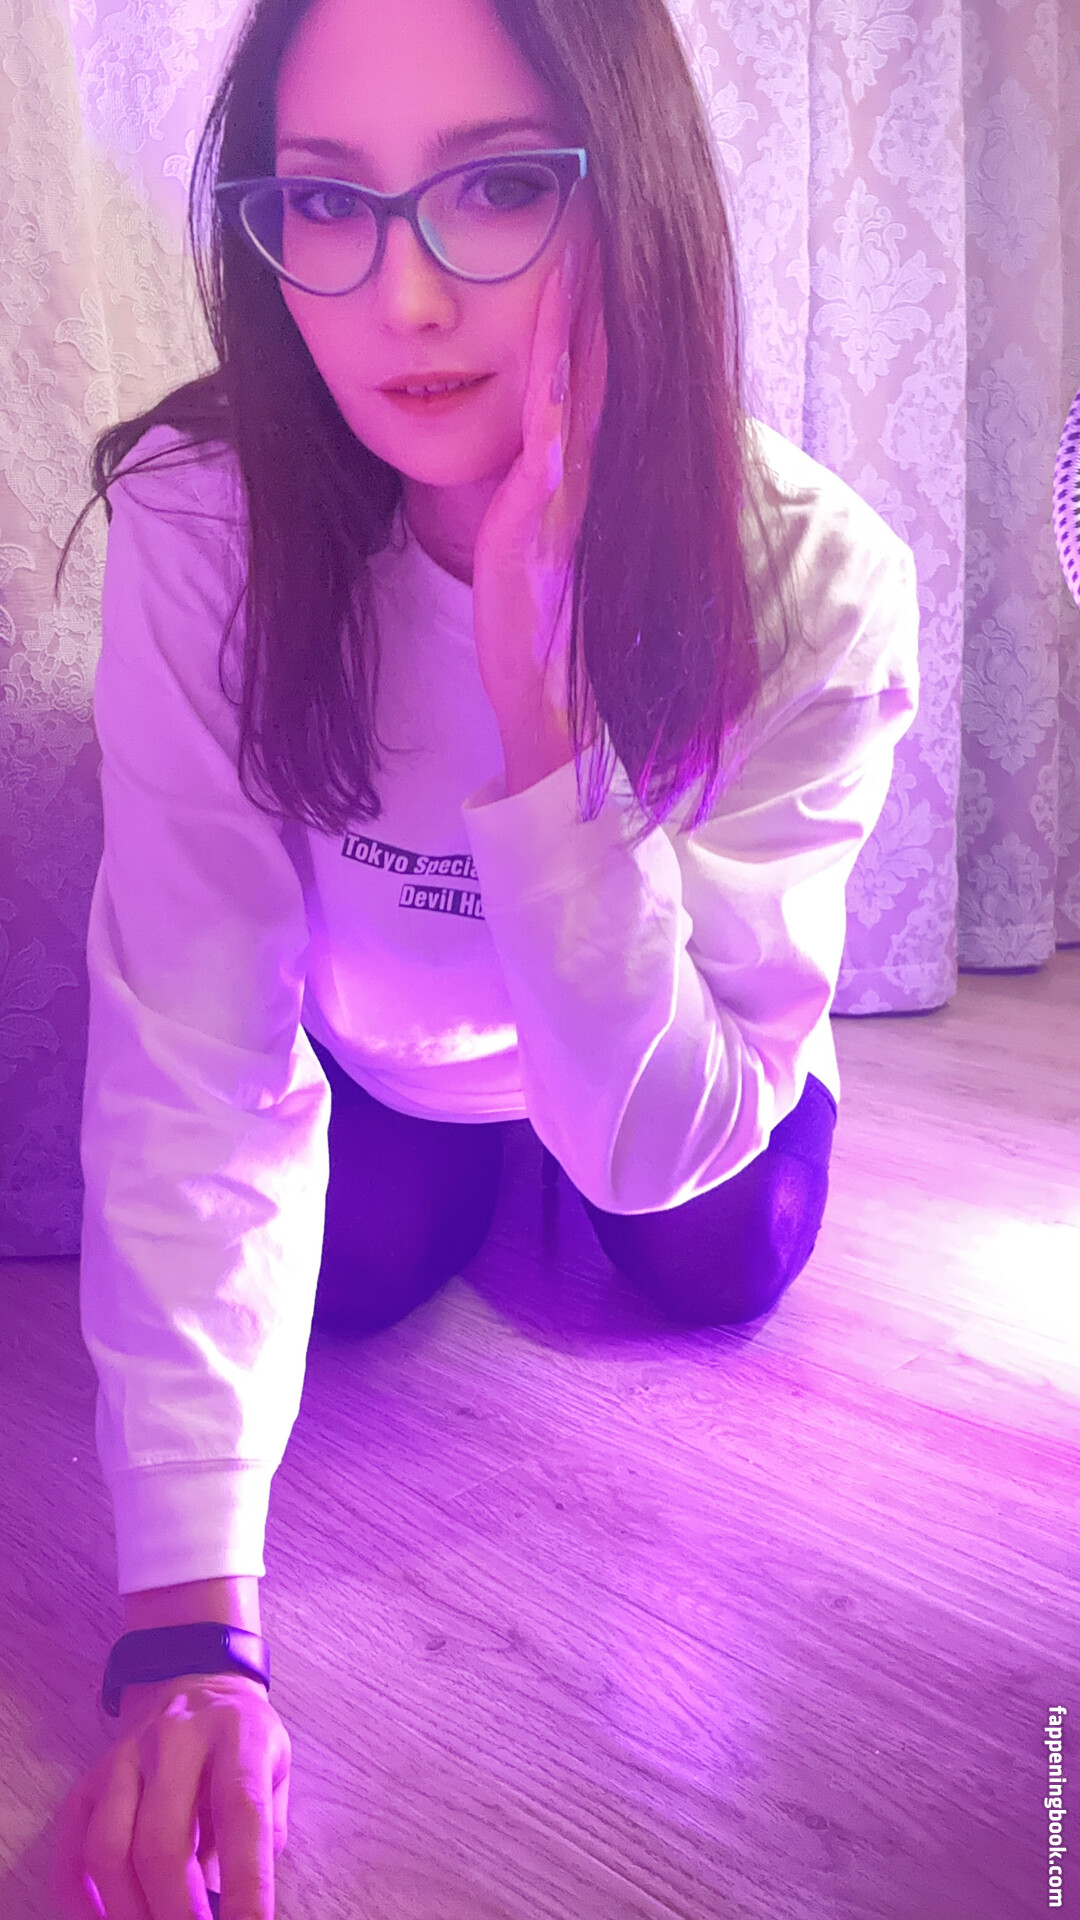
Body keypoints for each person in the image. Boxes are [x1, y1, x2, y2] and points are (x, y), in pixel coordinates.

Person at [49, 0, 920, 1911]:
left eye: (501, 185)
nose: (406, 299)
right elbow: (193, 1044)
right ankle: (480, 1156)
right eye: (326, 201)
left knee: (706, 1254)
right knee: (351, 1285)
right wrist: (187, 1630)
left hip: (667, 1068)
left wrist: (544, 714)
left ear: (637, 195)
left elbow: (655, 1139)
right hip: (392, 1058)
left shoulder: (813, 573)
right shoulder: (206, 522)